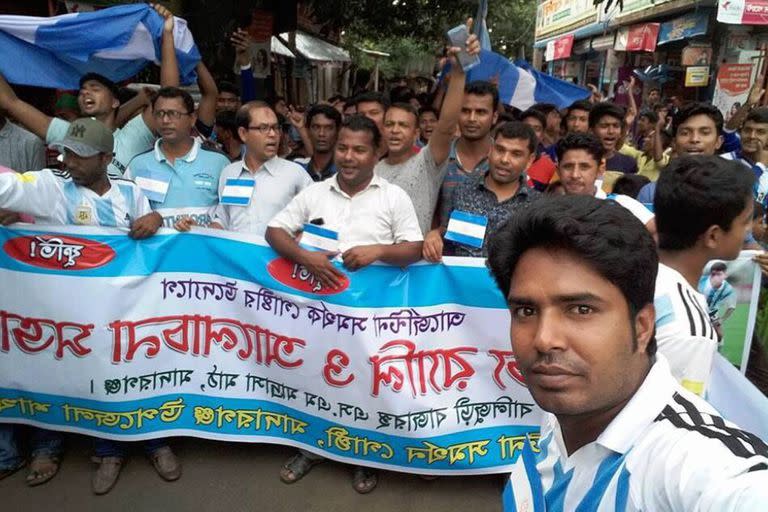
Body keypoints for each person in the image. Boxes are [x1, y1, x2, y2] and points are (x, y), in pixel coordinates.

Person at [487, 194, 768, 511]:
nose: (544, 338)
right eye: (526, 311)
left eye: (581, 309)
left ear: (643, 325)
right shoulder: (563, 414)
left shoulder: (695, 464)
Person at [0, 118, 162, 490]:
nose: (69, 161)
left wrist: (156, 218)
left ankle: (146, 443)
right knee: (55, 374)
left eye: (81, 155)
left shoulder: (130, 193)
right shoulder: (50, 188)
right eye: (66, 152)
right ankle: (64, 448)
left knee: (124, 376)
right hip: (63, 319)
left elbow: (157, 249)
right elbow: (8, 188)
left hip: (121, 315)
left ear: (107, 157)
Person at [266, 116, 423, 493]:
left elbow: (415, 248)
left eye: (359, 150)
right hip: (317, 318)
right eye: (343, 148)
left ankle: (364, 455)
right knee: (317, 381)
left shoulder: (393, 196)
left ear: (376, 153)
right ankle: (314, 448)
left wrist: (379, 251)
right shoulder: (315, 193)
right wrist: (306, 258)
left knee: (366, 386)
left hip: (372, 322)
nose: (349, 157)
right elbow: (274, 231)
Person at [0, 3, 179, 179]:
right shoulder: (72, 133)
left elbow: (169, 97)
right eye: (82, 90)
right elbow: (12, 103)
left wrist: (167, 35)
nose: (85, 93)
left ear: (115, 101)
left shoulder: (133, 135)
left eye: (95, 88)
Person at [654, 156, 754, 396]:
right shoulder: (691, 332)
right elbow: (680, 419)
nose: (750, 230)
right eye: (746, 221)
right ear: (713, 236)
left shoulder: (637, 275)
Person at [375, 25, 479, 235]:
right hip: (373, 262)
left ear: (416, 134)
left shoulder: (426, 163)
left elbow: (447, 124)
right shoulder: (372, 171)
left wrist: (458, 72)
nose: (395, 130)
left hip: (414, 264)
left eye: (403, 125)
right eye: (390, 124)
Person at [177, 101, 312, 235]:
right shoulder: (229, 173)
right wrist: (199, 230)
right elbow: (224, 220)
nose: (272, 134)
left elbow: (319, 216)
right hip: (238, 256)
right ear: (243, 133)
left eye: (276, 128)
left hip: (278, 256)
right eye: (263, 128)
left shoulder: (295, 174)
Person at [422, 122, 541, 260]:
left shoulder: (536, 207)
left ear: (529, 160)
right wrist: (435, 235)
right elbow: (450, 233)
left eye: (516, 154)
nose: (504, 159)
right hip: (462, 280)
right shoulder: (463, 192)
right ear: (490, 150)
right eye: (500, 150)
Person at [125, 87, 230, 228]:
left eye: (173, 114)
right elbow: (124, 215)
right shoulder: (137, 165)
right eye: (159, 114)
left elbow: (232, 213)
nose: (165, 120)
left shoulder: (219, 162)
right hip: (156, 249)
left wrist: (204, 231)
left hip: (204, 247)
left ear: (192, 119)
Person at [555, 132, 655, 233]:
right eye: (568, 166)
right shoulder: (549, 211)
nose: (575, 175)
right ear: (558, 170)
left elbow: (657, 231)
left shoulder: (622, 204)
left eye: (584, 167)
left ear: (600, 169)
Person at [437, 80, 499, 227]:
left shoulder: (505, 161)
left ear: (494, 117)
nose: (472, 119)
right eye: (465, 111)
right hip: (441, 248)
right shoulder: (440, 157)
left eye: (481, 112)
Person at [721, 107, 768, 205]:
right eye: (747, 130)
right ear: (740, 132)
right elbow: (736, 196)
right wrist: (760, 166)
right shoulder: (724, 161)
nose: (752, 136)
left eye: (760, 132)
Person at [293, 104, 342, 181]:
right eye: (316, 127)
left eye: (328, 128)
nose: (321, 133)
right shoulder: (298, 171)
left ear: (338, 131)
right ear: (308, 130)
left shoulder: (344, 172)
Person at [589, 102, 638, 177]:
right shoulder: (580, 161)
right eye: (604, 126)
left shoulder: (629, 163)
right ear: (591, 130)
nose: (611, 131)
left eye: (616, 126)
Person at [520, 109, 558, 190]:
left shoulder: (550, 167)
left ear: (542, 135)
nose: (531, 132)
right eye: (527, 127)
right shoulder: (505, 158)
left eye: (537, 129)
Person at [698, 262, 738, 339]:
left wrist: (722, 320)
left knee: (719, 335)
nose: (715, 278)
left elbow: (731, 307)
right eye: (713, 274)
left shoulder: (728, 289)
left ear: (725, 275)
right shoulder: (701, 280)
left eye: (719, 274)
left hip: (712, 313)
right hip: (696, 309)